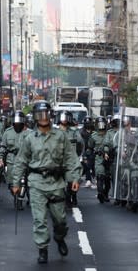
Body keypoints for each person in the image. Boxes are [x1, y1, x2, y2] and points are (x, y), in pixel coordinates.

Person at [12, 100, 82, 264]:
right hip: (36, 183)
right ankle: (42, 249)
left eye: (45, 114)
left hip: (56, 183)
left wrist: (74, 178)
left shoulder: (61, 136)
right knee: (39, 219)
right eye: (39, 115)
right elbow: (21, 161)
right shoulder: (29, 138)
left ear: (50, 116)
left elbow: (71, 159)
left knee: (60, 220)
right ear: (36, 118)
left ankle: (59, 238)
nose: (43, 118)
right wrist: (16, 183)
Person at [0, 110, 30, 210]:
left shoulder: (29, 133)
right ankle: (16, 195)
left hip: (25, 160)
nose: (17, 124)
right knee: (11, 183)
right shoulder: (7, 133)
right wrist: (1, 159)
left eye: (19, 122)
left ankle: (20, 200)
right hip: (11, 160)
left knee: (23, 181)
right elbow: (3, 146)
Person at [55, 110, 84, 207]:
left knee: (71, 180)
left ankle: (70, 197)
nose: (64, 120)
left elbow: (80, 144)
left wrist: (78, 156)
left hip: (69, 161)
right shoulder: (54, 132)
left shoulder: (74, 132)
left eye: (66, 118)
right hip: (56, 161)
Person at [89, 116, 110, 203]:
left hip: (109, 158)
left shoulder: (109, 134)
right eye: (99, 124)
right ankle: (100, 193)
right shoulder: (93, 136)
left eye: (103, 124)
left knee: (108, 179)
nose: (101, 126)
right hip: (99, 158)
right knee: (100, 176)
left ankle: (105, 194)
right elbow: (90, 147)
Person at [79, 116, 95, 187]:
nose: (88, 124)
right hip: (84, 151)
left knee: (94, 165)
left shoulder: (94, 131)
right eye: (87, 123)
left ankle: (95, 178)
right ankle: (88, 179)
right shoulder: (81, 131)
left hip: (94, 150)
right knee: (86, 165)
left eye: (89, 123)